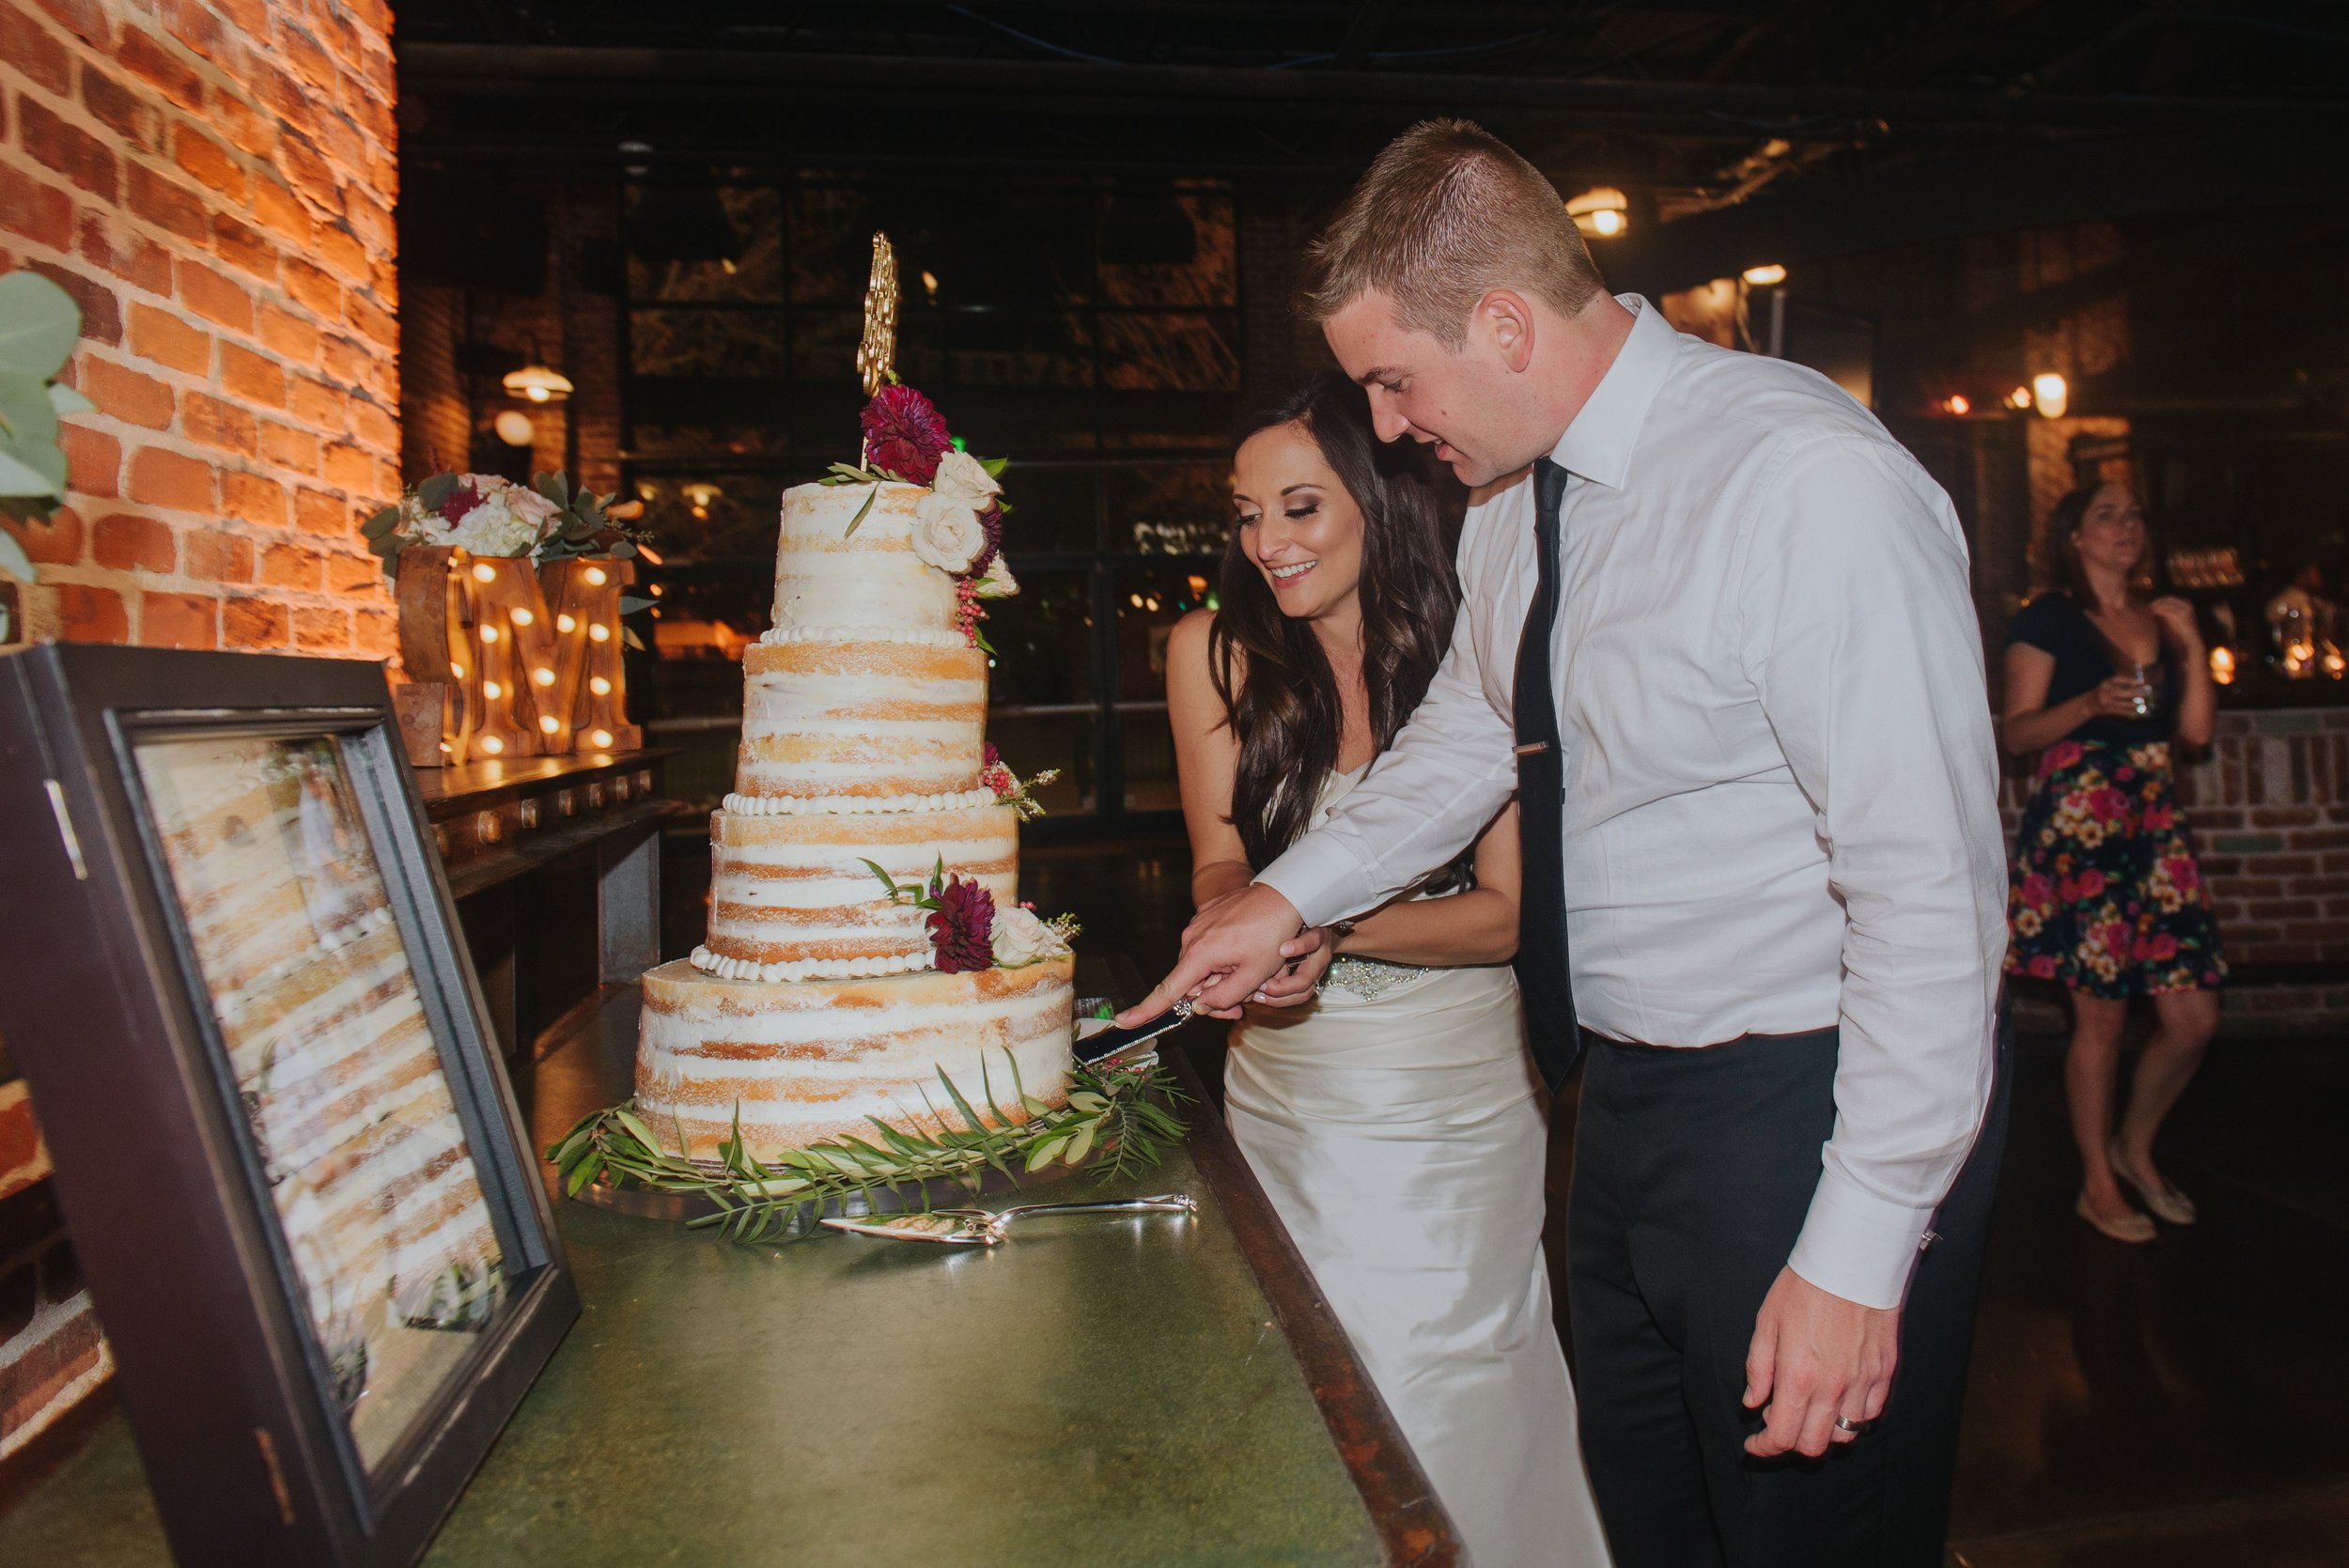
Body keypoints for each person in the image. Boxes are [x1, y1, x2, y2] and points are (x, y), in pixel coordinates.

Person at [1119, 118, 2011, 1568]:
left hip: (1809, 1102)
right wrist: (1285, 897)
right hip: (1623, 1107)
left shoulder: (1803, 484)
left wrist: (1859, 1248)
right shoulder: (1515, 511)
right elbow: (1472, 739)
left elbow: (1935, 900)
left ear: (1505, 323)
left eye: (1395, 381)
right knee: (1658, 1525)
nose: (1393, 424)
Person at [1166, 374, 1610, 1568]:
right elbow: (1218, 861)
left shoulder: (1474, 652)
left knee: (1456, 1374)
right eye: (1248, 514)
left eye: (1300, 508)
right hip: (1287, 1094)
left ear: (1376, 503)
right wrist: (1235, 917)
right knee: (1303, 1381)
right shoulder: (1210, 653)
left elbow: (1505, 914)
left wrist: (1328, 932)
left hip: (1457, 1094)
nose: (1266, 542)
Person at [2001, 483, 2222, 1244]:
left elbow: (2193, 733)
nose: (2127, 524)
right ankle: (2097, 1181)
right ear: (2075, 536)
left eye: (2136, 512)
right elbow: (2020, 734)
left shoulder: (2163, 616)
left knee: (2193, 1018)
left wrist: (2191, 646)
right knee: (2100, 1015)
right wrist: (2092, 701)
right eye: (2108, 513)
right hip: (2082, 824)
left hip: (2154, 824)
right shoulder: (2048, 620)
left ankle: (2136, 1142)